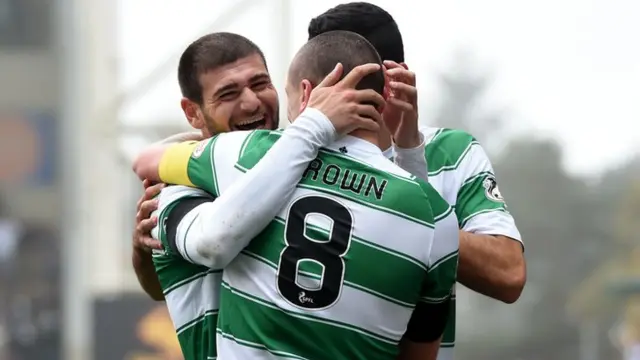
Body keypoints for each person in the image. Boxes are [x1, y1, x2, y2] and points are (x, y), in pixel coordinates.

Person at [134, 30, 458, 360]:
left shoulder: (253, 152)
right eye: (229, 93)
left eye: (260, 84)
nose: (251, 101)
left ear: (302, 94)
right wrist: (406, 149)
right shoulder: (435, 213)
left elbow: (147, 160)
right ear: (193, 112)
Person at [307, 2, 526, 359]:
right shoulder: (299, 151)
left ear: (396, 78)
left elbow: (509, 273)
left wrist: (407, 155)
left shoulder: (453, 152)